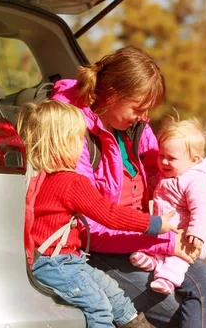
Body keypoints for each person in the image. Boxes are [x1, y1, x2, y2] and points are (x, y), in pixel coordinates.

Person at [50, 46, 206, 328]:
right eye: (138, 108)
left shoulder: (136, 130)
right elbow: (90, 226)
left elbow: (177, 173)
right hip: (99, 250)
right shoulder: (73, 133)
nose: (144, 117)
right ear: (112, 94)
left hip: (146, 243)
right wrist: (167, 240)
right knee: (183, 315)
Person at [18, 100, 178, 328]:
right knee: (99, 307)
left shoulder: (41, 178)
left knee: (116, 297)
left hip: (66, 261)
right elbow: (109, 215)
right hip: (56, 263)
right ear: (63, 143)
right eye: (78, 139)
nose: (82, 146)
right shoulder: (72, 182)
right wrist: (153, 224)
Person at [129, 116, 206, 295]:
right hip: (171, 229)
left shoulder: (195, 180)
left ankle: (168, 279)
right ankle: (154, 261)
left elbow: (203, 208)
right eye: (161, 155)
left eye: (171, 158)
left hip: (190, 236)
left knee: (179, 257)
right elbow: (155, 186)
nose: (164, 162)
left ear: (194, 160)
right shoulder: (168, 175)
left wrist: (196, 232)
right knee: (159, 241)